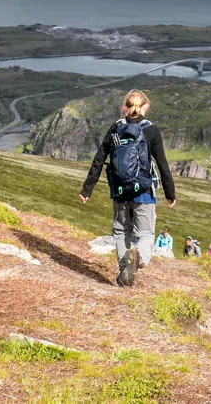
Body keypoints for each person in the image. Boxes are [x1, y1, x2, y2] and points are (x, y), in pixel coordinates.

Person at [79, 90, 176, 287]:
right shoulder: (151, 130)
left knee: (121, 231)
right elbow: (162, 164)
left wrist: (87, 189)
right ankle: (138, 257)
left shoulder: (115, 128)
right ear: (145, 107)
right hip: (144, 192)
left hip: (120, 191)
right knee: (146, 234)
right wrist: (170, 193)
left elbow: (99, 159)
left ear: (125, 106)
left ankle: (125, 271)